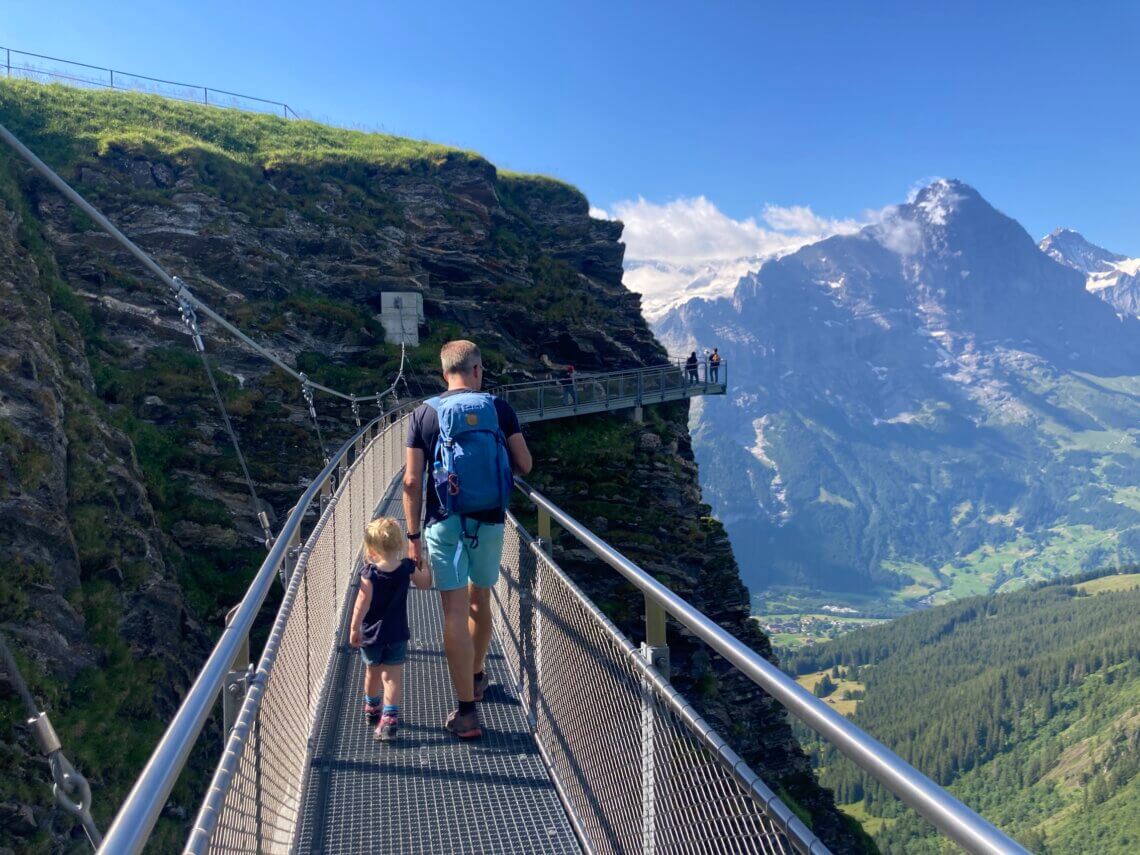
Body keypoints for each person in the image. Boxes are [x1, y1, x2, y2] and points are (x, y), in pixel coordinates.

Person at [404, 340, 533, 739]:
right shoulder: (498, 408)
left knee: (454, 613)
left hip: (444, 522)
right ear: (478, 370)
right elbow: (525, 464)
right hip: (490, 521)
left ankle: (465, 714)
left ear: (444, 373)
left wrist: (413, 539)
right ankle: (478, 678)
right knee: (481, 600)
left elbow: (411, 481)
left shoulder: (423, 414)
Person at [348, 517, 432, 741]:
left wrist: (354, 629)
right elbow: (425, 584)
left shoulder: (370, 574)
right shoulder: (406, 568)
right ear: (399, 544)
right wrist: (424, 563)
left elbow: (361, 604)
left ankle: (371, 707)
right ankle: (389, 719)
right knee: (392, 677)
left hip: (371, 635)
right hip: (397, 634)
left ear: (371, 548)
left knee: (372, 673)